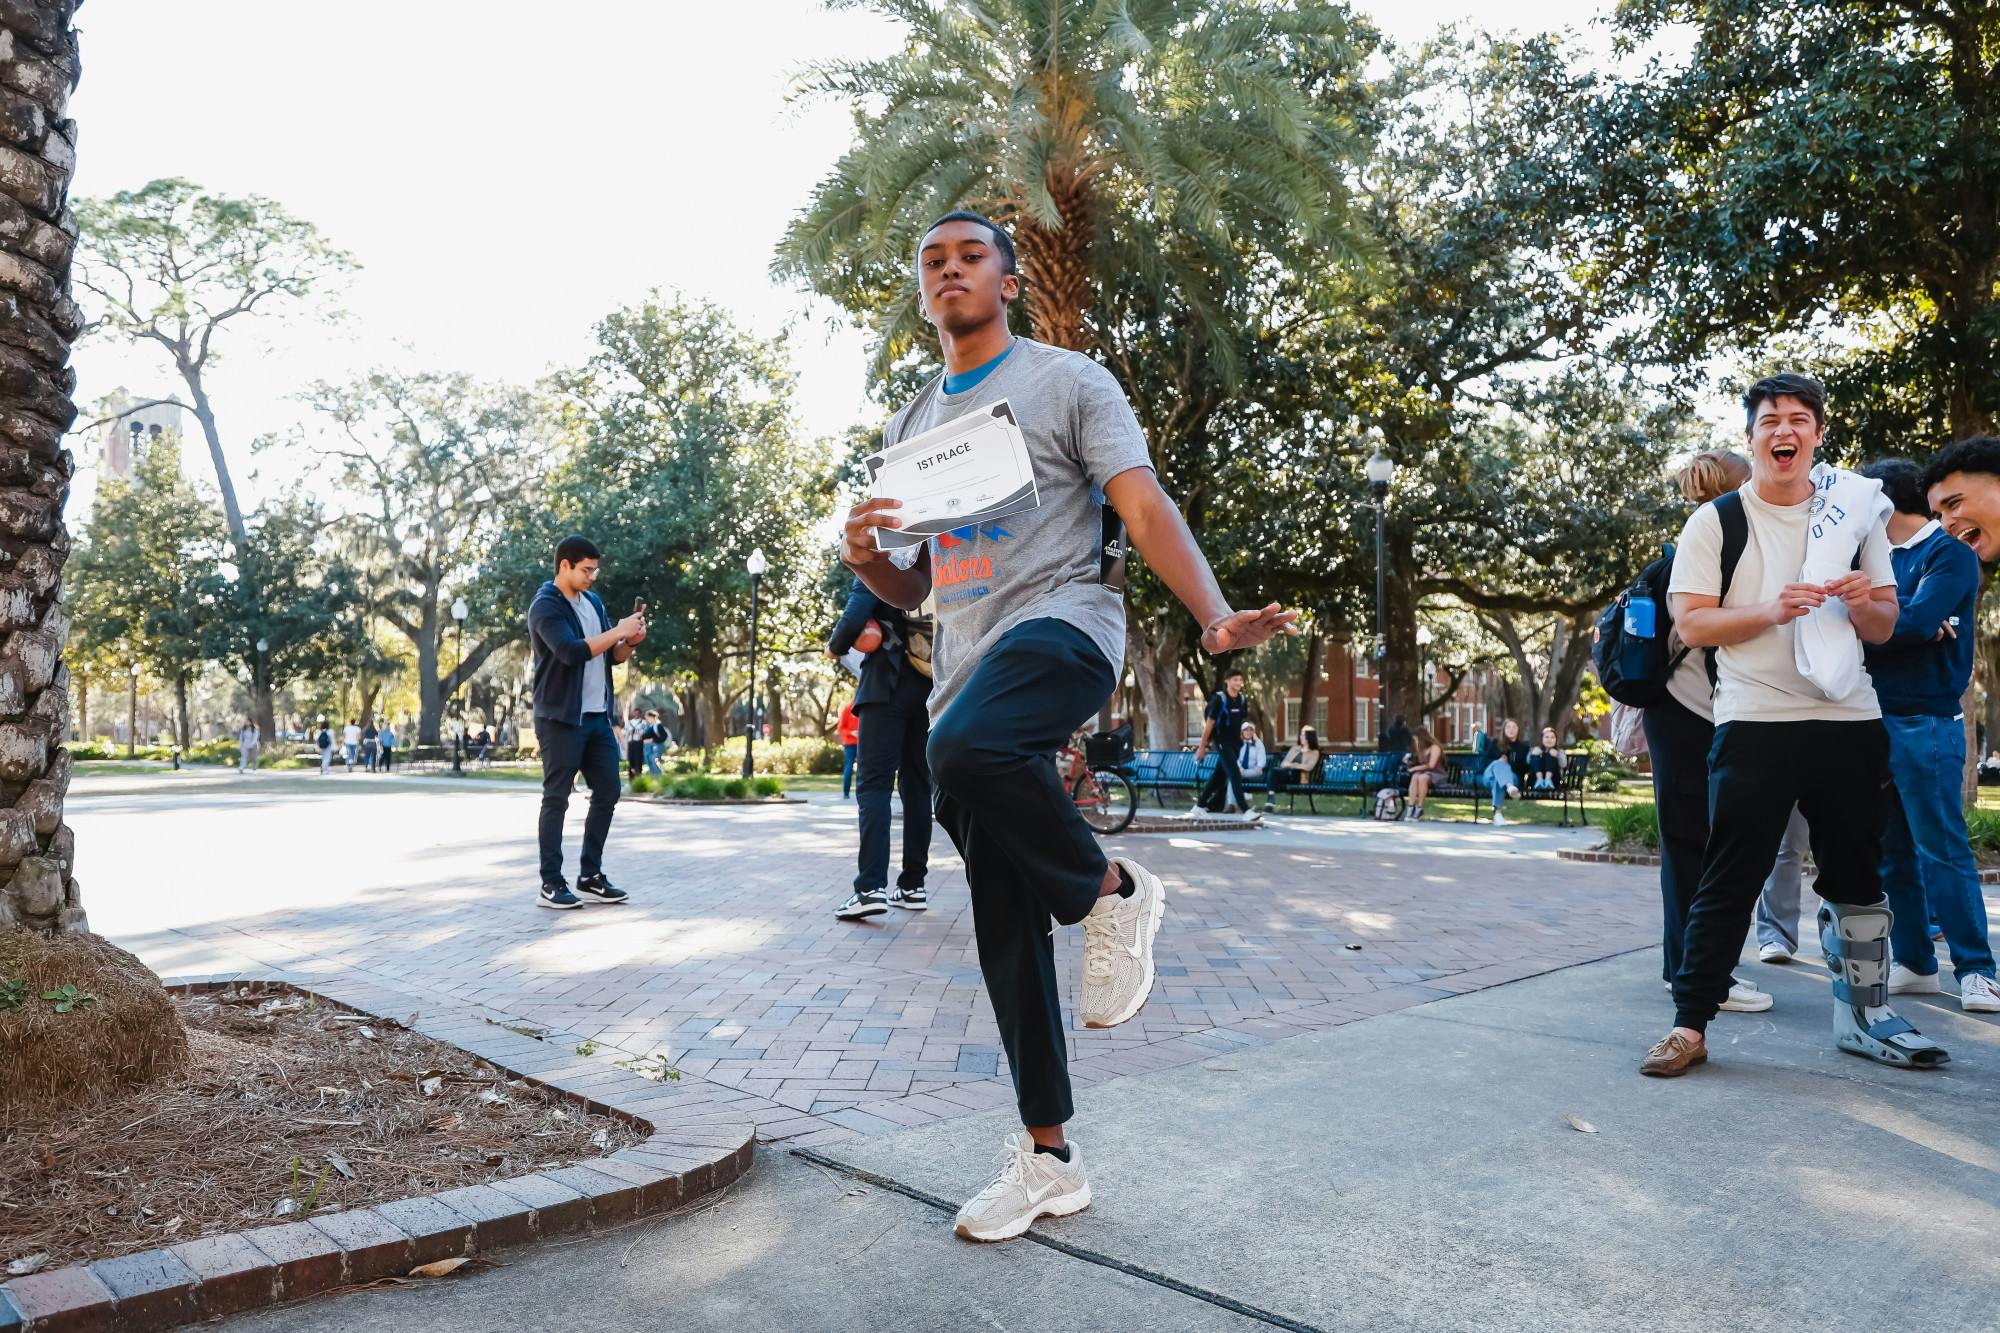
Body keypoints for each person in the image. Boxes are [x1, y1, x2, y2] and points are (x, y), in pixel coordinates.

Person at [836, 210, 1295, 1243]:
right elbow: (911, 584)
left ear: (1006, 280)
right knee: (1001, 922)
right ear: (923, 292)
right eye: (932, 262)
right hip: (963, 663)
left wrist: (1211, 614)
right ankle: (1048, 1157)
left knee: (960, 749)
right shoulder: (910, 427)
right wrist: (861, 552)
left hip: (1062, 628)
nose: (950, 271)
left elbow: (1139, 503)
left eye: (970, 256)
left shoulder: (1067, 382)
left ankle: (1112, 890)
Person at [1642, 372, 1945, 1076]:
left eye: (1800, 418)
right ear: (1752, 437)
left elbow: (1883, 624)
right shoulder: (1716, 521)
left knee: (1857, 874)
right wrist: (1774, 609)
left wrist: (1865, 598)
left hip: (1847, 716)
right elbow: (1692, 622)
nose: (1785, 429)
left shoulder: (1855, 512)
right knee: (1730, 873)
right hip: (1756, 718)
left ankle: (1867, 1015)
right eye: (1770, 419)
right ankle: (1690, 1024)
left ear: (1817, 434)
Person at [1855, 457, 1997, 1012]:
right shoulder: (1870, 562)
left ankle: (1977, 971)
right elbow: (1902, 625)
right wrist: (1897, 621)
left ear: (1883, 504)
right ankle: (1915, 962)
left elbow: (1908, 625)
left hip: (1927, 723)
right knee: (1891, 853)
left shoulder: (1951, 555)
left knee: (1942, 850)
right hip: (1871, 719)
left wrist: (1885, 621)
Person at [1639, 448, 1771, 1014]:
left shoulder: (1693, 542)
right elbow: (1704, 632)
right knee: (1699, 847)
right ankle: (1699, 974)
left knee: (1692, 846)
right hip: (1692, 714)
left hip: (1682, 715)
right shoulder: (1713, 544)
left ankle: (1689, 967)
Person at [527, 534, 646, 911]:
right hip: (561, 718)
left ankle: (590, 875)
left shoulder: (593, 602)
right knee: (557, 798)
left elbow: (613, 655)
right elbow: (570, 652)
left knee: (609, 791)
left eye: (595, 570)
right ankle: (550, 883)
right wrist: (618, 631)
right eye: (586, 570)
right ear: (565, 566)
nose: (593, 577)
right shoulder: (545, 605)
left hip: (597, 717)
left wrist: (631, 640)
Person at [828, 576, 934, 917]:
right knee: (917, 787)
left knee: (873, 786)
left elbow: (854, 618)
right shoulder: (932, 564)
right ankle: (913, 885)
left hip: (885, 685)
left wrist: (834, 646)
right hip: (929, 687)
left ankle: (871, 887)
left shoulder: (879, 565)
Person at [1191, 668, 1259, 820]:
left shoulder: (1241, 700)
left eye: (1240, 680)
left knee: (1219, 777)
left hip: (1236, 743)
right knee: (1234, 774)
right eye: (1235, 680)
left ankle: (1199, 806)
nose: (1238, 683)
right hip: (1221, 742)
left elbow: (1241, 723)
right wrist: (1203, 746)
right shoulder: (1219, 700)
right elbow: (1209, 724)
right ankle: (1245, 811)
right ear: (1227, 681)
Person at [1480, 718, 1529, 825]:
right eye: (1508, 727)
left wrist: (1508, 765)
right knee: (1498, 764)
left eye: (1514, 727)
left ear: (1518, 730)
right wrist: (1499, 762)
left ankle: (1498, 814)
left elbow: (1524, 769)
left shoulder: (1523, 747)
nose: (1511, 730)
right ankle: (1509, 786)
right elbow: (1484, 762)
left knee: (1498, 780)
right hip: (1489, 776)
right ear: (1504, 730)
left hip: (1513, 778)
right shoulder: (1494, 743)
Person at [1263, 726, 1321, 813]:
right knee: (1274, 771)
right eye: (1301, 735)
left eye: (1303, 735)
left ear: (1310, 737)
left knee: (1293, 771)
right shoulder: (1295, 749)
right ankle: (1270, 800)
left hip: (1299, 777)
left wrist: (1293, 765)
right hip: (1287, 775)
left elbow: (1309, 767)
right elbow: (1283, 764)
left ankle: (1270, 801)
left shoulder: (1314, 752)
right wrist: (1296, 765)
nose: (1301, 737)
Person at [1401, 726, 1445, 820]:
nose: (1415, 742)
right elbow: (1421, 763)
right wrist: (1408, 761)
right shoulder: (1421, 749)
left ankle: (1419, 808)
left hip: (1437, 774)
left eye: (1416, 739)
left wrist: (1415, 768)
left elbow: (1431, 765)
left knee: (1422, 777)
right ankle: (1410, 807)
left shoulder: (1435, 747)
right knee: (1415, 776)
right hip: (1425, 773)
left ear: (1421, 737)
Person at [836, 697, 861, 799]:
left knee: (863, 769)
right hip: (850, 743)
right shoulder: (847, 709)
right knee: (848, 768)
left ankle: (861, 792)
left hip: (863, 743)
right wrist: (851, 733)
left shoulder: (864, 708)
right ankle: (846, 792)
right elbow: (840, 728)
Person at [624, 713, 647, 780]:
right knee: (631, 760)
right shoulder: (629, 722)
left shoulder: (643, 722)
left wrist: (639, 732)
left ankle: (638, 775)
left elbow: (645, 732)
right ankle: (631, 777)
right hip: (631, 742)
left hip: (639, 742)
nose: (636, 714)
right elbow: (625, 732)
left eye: (638, 712)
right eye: (635, 713)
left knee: (638, 759)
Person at [643, 710, 666, 776]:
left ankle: (658, 775)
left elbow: (664, 736)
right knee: (647, 759)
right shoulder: (650, 726)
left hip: (658, 746)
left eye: (647, 718)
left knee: (652, 759)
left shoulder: (658, 725)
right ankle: (653, 774)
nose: (646, 720)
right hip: (651, 746)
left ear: (652, 717)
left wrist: (652, 740)